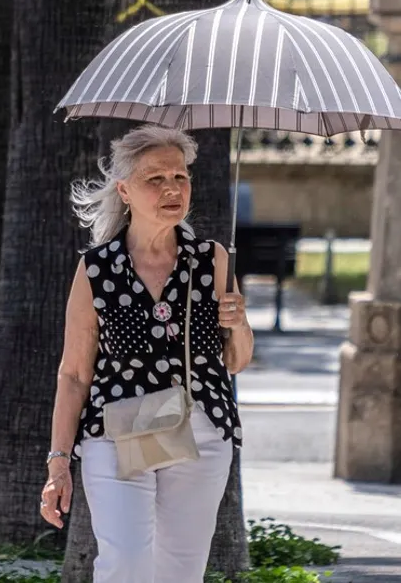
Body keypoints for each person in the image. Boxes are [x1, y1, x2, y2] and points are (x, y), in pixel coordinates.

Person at [40, 124, 254, 583]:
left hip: (198, 426)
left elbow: (235, 361)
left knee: (181, 570)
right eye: (155, 179)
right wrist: (59, 462)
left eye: (180, 177)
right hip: (118, 428)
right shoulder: (97, 268)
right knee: (125, 563)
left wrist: (238, 323)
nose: (172, 188)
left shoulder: (211, 259)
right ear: (125, 190)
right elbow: (75, 374)